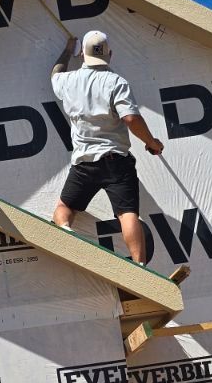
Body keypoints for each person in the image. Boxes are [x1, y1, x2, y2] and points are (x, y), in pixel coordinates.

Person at [50, 28, 163, 265]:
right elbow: (131, 118)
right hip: (116, 161)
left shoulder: (67, 81)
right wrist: (152, 143)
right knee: (127, 213)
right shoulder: (116, 82)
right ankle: (139, 266)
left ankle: (65, 230)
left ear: (84, 55)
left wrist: (68, 50)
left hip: (84, 162)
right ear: (110, 54)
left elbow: (55, 72)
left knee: (64, 207)